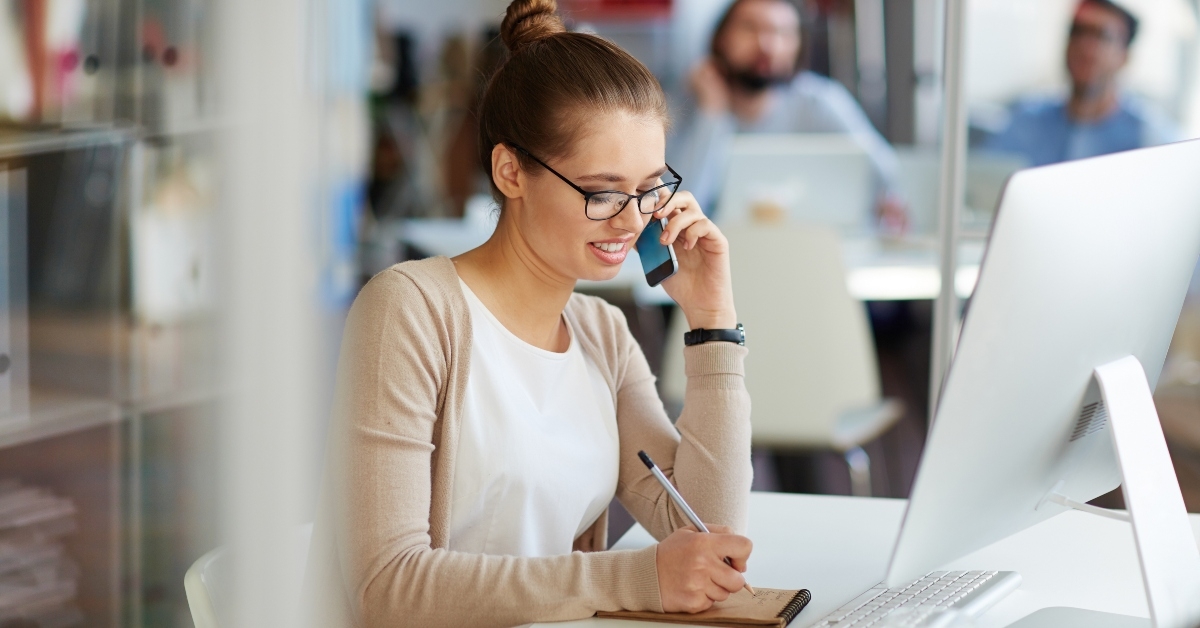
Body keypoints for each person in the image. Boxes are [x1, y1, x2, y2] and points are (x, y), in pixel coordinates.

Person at [304, 0, 755, 625]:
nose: (632, 220)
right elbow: (389, 588)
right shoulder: (409, 311)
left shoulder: (602, 334)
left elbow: (706, 527)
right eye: (602, 192)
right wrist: (629, 577)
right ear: (511, 170)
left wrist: (712, 323)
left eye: (649, 187)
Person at [670, 0, 906, 231]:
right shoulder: (684, 108)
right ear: (720, 39)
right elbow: (676, 204)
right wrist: (712, 114)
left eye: (782, 32)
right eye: (750, 28)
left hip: (811, 247)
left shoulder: (819, 102)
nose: (767, 44)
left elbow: (886, 175)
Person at [985, 0, 1181, 166]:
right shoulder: (1026, 123)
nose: (1085, 46)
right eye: (1077, 31)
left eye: (1101, 35)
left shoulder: (1152, 142)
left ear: (1125, 56)